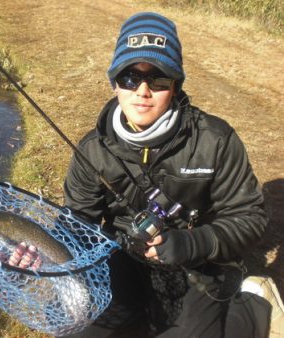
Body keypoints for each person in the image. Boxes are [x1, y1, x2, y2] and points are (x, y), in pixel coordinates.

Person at [59, 11, 283, 338]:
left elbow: (251, 217)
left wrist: (193, 242)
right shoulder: (92, 149)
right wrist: (42, 252)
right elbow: (77, 222)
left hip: (194, 263)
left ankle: (255, 302)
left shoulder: (215, 140)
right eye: (130, 77)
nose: (143, 90)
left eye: (159, 78)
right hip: (121, 258)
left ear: (176, 84)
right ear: (115, 81)